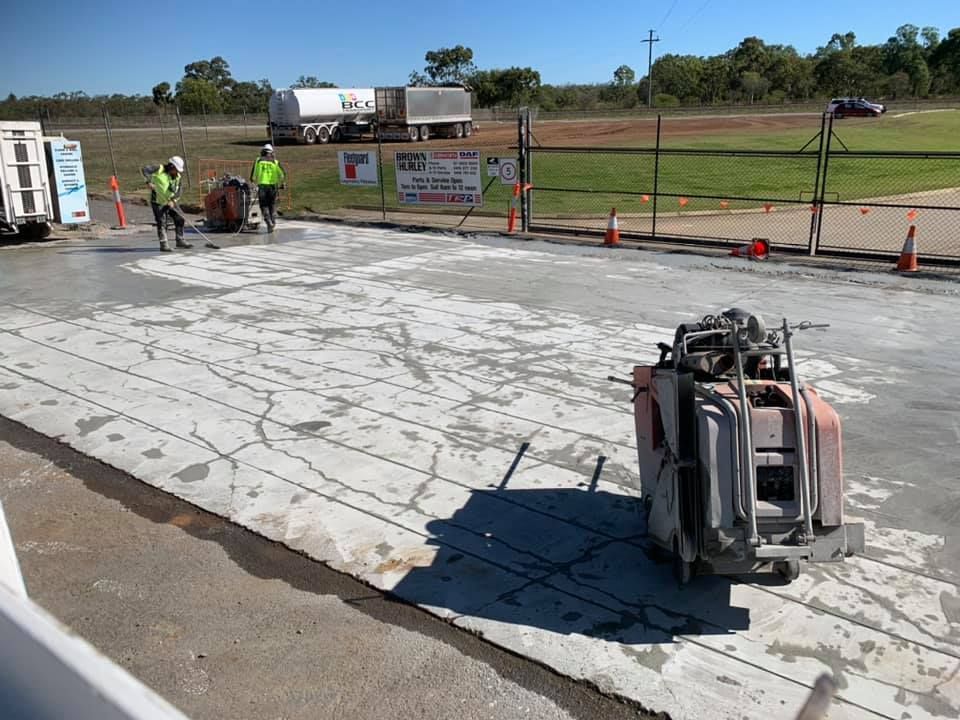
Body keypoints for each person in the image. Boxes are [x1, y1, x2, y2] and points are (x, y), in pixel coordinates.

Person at [147, 156, 190, 252]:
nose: (177, 172)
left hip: (170, 200)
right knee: (162, 222)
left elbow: (179, 190)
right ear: (171, 166)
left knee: (180, 217)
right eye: (176, 169)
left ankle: (180, 240)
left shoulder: (177, 176)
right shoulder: (159, 169)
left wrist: (173, 200)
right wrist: (149, 182)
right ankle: (164, 244)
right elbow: (145, 170)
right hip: (158, 201)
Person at [250, 143, 286, 232]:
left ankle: (268, 221)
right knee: (272, 204)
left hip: (262, 187)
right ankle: (273, 221)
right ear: (271, 152)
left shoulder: (258, 161)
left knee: (264, 205)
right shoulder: (275, 162)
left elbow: (253, 176)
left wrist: (254, 182)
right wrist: (281, 182)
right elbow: (282, 174)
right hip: (273, 187)